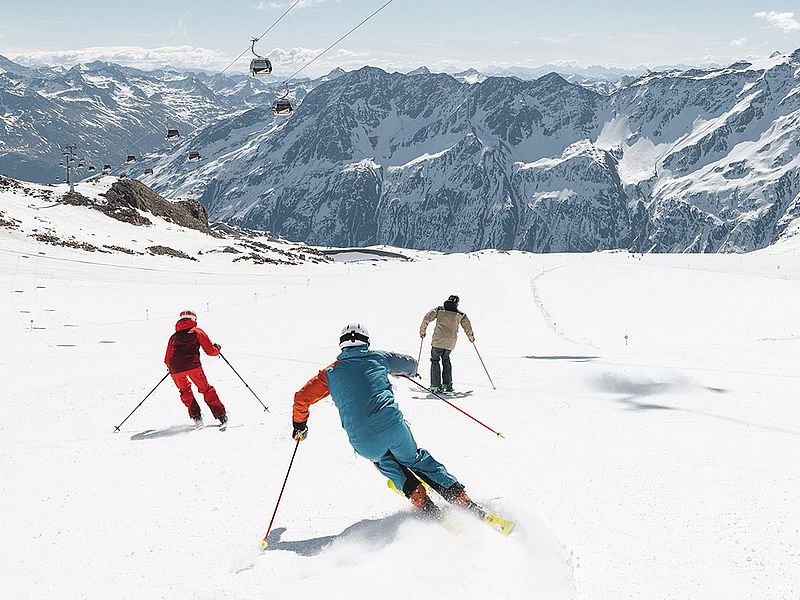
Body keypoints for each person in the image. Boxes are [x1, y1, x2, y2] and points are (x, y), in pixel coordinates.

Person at [291, 323, 483, 518]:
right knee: (414, 459)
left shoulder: (329, 374)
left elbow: (301, 398)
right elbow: (411, 365)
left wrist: (300, 425)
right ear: (366, 342)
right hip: (394, 429)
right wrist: (398, 371)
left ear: (342, 345)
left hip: (364, 441)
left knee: (383, 461)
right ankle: (458, 496)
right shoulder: (378, 358)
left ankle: (418, 496)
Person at [164, 309, 228, 428]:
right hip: (193, 366)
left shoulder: (173, 337)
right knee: (205, 389)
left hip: (175, 369)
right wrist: (217, 349)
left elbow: (167, 358)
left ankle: (196, 417)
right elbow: (210, 351)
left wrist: (171, 368)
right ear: (193, 319)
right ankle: (220, 415)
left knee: (185, 391)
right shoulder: (197, 331)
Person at [419, 295, 475, 393]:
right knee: (446, 360)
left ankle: (435, 386)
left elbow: (427, 318)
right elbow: (467, 326)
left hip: (438, 340)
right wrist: (471, 337)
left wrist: (422, 331)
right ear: (457, 303)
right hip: (450, 342)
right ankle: (447, 384)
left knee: (435, 360)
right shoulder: (460, 314)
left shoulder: (439, 309)